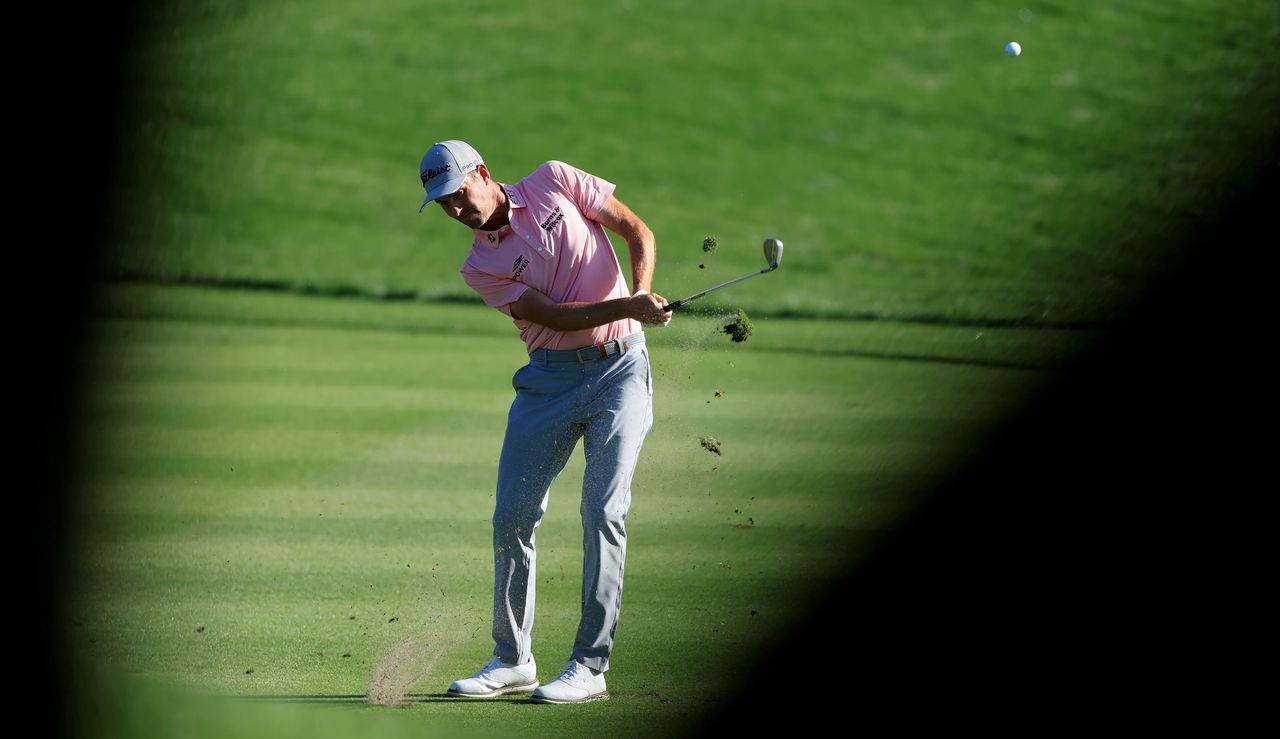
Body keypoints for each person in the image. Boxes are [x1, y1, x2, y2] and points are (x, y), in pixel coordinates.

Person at [417, 140, 670, 704]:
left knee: (603, 510)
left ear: (482, 173)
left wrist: (641, 291)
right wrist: (630, 306)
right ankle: (512, 659)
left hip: (621, 370)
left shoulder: (554, 179)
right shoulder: (479, 265)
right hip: (548, 381)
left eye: (458, 195)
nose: (456, 211)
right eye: (443, 206)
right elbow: (552, 316)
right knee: (511, 515)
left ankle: (589, 665)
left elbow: (637, 232)